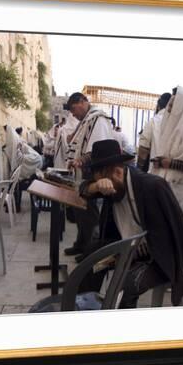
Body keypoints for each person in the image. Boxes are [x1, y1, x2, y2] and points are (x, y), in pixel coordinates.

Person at [80, 139, 183, 307]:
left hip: (158, 257)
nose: (106, 193)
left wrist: (134, 254)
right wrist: (96, 186)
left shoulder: (153, 187)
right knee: (90, 261)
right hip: (128, 249)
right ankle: (86, 309)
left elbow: (175, 235)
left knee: (125, 284)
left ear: (118, 172)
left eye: (103, 183)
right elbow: (83, 190)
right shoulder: (110, 182)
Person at [137, 86, 183, 247]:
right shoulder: (166, 130)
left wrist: (171, 163)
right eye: (168, 105)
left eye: (172, 106)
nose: (168, 109)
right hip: (165, 194)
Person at [63, 92, 113, 261]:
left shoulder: (98, 119)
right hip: (82, 173)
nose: (73, 114)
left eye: (73, 108)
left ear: (83, 102)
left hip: (94, 174)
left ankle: (89, 252)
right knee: (80, 212)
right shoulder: (88, 120)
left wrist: (80, 161)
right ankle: (81, 244)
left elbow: (98, 148)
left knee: (90, 215)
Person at [3, 124, 42, 210]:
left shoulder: (18, 143)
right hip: (33, 164)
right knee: (14, 181)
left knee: (15, 182)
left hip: (34, 164)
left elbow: (18, 157)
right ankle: (12, 205)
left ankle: (14, 206)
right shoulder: (17, 141)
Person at [137, 92, 171, 172]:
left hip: (156, 172)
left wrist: (139, 168)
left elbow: (143, 149)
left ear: (158, 106)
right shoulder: (180, 122)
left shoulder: (154, 122)